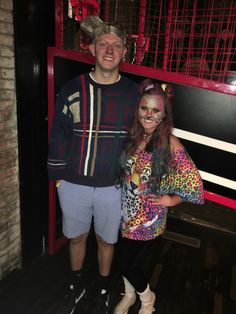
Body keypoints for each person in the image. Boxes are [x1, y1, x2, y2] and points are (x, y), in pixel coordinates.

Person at [47, 16, 139, 314]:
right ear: (92, 49)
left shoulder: (133, 95)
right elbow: (58, 136)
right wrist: (59, 178)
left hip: (113, 186)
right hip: (74, 183)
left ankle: (101, 288)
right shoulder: (72, 89)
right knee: (77, 237)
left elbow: (145, 134)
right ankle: (75, 284)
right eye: (103, 43)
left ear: (125, 52)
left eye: (116, 45)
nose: (109, 50)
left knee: (105, 240)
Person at [114, 79, 204, 314]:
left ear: (164, 116)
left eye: (156, 110)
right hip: (126, 212)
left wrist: (172, 200)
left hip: (148, 217)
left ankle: (147, 301)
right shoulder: (136, 136)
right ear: (137, 110)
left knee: (125, 262)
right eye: (144, 108)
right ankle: (130, 295)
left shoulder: (169, 142)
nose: (149, 114)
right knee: (126, 260)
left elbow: (192, 181)